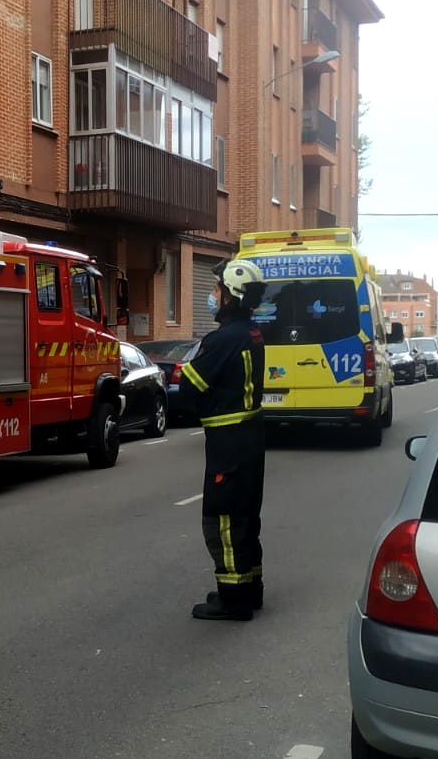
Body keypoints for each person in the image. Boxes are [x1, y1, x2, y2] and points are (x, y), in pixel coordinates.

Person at [177, 258, 268, 621]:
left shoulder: (224, 339)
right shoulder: (252, 333)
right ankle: (250, 588)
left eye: (217, 290)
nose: (212, 296)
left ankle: (233, 600)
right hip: (249, 439)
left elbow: (189, 386)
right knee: (246, 517)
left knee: (224, 521)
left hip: (228, 443)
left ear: (232, 296)